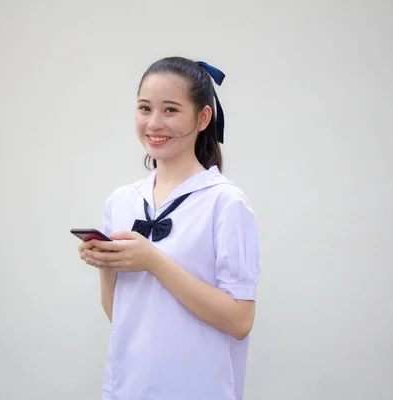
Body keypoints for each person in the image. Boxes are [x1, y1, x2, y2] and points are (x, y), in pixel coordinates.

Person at [77, 56, 261, 400]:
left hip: (198, 389)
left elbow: (240, 322)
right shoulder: (121, 201)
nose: (154, 123)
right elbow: (119, 314)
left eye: (171, 110)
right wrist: (106, 265)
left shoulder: (226, 204)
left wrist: (153, 260)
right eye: (145, 108)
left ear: (203, 117)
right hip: (127, 388)